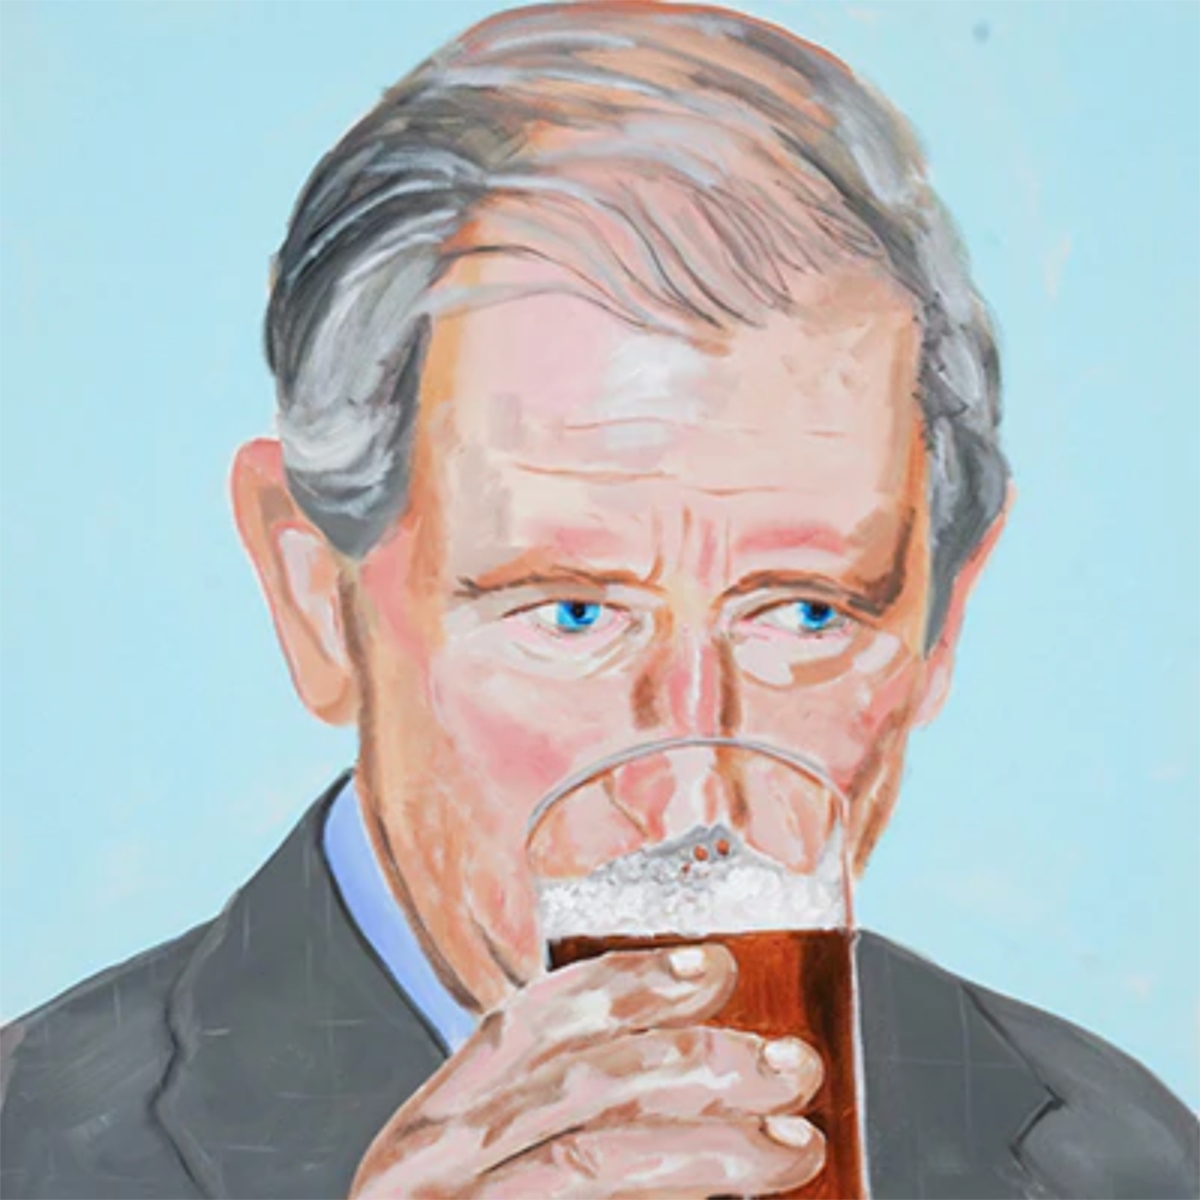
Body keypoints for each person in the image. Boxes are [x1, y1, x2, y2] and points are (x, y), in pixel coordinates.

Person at [2, 4, 1196, 1198]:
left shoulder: (1109, 1155)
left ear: (941, 622)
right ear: (315, 598)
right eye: (572, 615)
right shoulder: (42, 1148)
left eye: (805, 615)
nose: (694, 802)